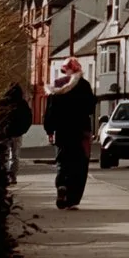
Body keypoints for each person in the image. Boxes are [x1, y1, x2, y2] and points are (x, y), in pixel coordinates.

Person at [44, 59, 98, 209]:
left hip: (62, 131)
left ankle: (61, 185)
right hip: (81, 131)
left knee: (62, 161)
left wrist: (49, 130)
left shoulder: (57, 85)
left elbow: (49, 111)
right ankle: (72, 198)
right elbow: (89, 108)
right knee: (79, 165)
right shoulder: (84, 85)